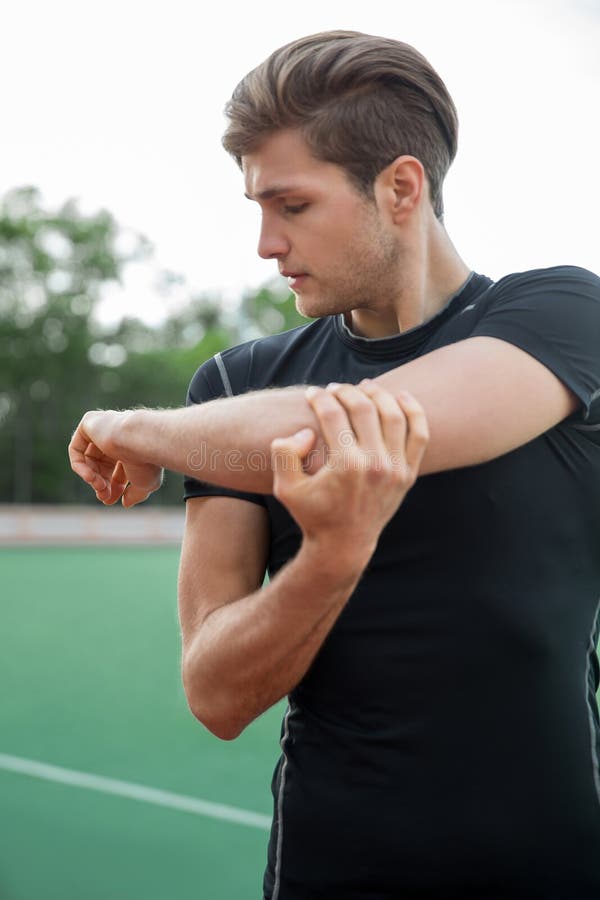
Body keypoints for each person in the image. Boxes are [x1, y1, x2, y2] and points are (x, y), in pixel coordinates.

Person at [68, 30, 600, 899]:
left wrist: (129, 427)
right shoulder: (238, 385)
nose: (265, 244)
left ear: (400, 187)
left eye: (292, 206)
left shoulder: (561, 315)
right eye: (256, 208)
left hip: (558, 866)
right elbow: (216, 694)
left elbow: (370, 423)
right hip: (331, 870)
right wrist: (330, 560)